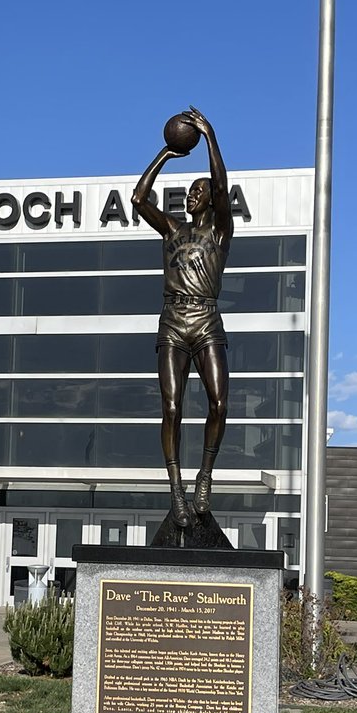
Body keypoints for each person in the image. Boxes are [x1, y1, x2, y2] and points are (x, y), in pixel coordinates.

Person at [131, 106, 232, 528]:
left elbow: (223, 185)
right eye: (188, 191)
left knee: (218, 402)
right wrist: (165, 153)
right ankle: (175, 490)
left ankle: (204, 475)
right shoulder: (173, 229)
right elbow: (138, 199)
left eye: (197, 191)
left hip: (206, 321)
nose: (191, 196)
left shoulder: (220, 231)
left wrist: (209, 137)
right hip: (173, 320)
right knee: (171, 408)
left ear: (210, 199)